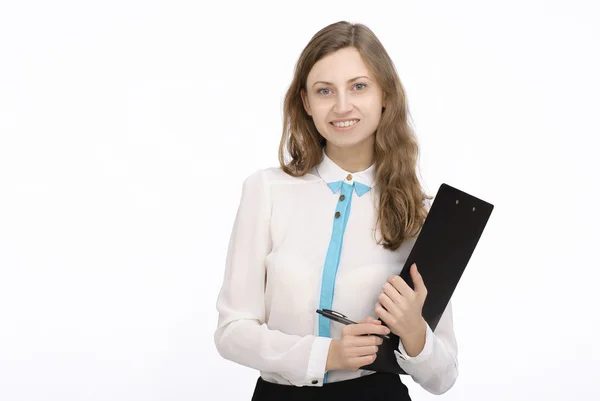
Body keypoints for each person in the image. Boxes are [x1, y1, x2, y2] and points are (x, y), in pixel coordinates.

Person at [214, 21, 459, 401]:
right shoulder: (266, 190)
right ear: (306, 103)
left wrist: (414, 332)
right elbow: (232, 331)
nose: (342, 106)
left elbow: (443, 377)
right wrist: (328, 354)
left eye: (358, 86)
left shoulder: (417, 212)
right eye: (325, 91)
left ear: (385, 96)